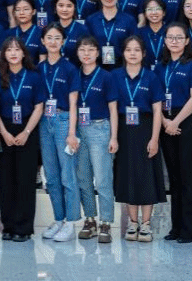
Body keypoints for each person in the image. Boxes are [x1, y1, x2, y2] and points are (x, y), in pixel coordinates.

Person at [0, 36, 45, 242]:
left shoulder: (34, 76)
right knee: (6, 180)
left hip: (27, 129)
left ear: (24, 53)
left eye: (17, 49)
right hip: (4, 129)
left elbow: (39, 107)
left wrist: (26, 132)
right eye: (9, 50)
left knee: (25, 180)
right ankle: (8, 226)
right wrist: (3, 132)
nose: (13, 53)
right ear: (4, 54)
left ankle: (24, 228)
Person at [112, 35, 164, 242]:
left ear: (143, 54)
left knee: (146, 176)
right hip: (124, 130)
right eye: (128, 50)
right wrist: (113, 137)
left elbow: (157, 110)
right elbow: (112, 109)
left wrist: (155, 139)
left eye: (136, 50)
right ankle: (133, 223)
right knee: (128, 176)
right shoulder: (115, 76)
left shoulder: (151, 77)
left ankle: (146, 223)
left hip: (145, 129)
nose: (132, 54)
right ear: (123, 53)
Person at [156, 23, 192, 243]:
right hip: (166, 122)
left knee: (187, 176)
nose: (174, 41)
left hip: (187, 121)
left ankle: (190, 230)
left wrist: (175, 121)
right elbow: (155, 99)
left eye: (179, 38)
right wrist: (165, 121)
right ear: (165, 41)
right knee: (174, 178)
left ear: (186, 41)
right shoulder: (161, 66)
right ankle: (176, 227)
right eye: (170, 37)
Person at [38, 24, 81, 242]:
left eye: (57, 38)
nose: (53, 41)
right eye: (49, 37)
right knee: (52, 176)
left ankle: (71, 222)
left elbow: (73, 103)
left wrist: (72, 132)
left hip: (63, 121)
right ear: (43, 41)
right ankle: (58, 219)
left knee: (67, 175)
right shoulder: (39, 68)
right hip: (44, 122)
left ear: (63, 41)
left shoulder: (70, 68)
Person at [73, 37, 119, 243]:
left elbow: (113, 109)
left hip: (100, 129)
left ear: (98, 53)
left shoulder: (106, 77)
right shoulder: (74, 75)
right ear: (77, 53)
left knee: (102, 179)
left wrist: (114, 137)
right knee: (83, 178)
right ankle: (90, 220)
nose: (87, 54)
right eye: (83, 49)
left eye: (91, 50)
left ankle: (106, 222)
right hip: (78, 129)